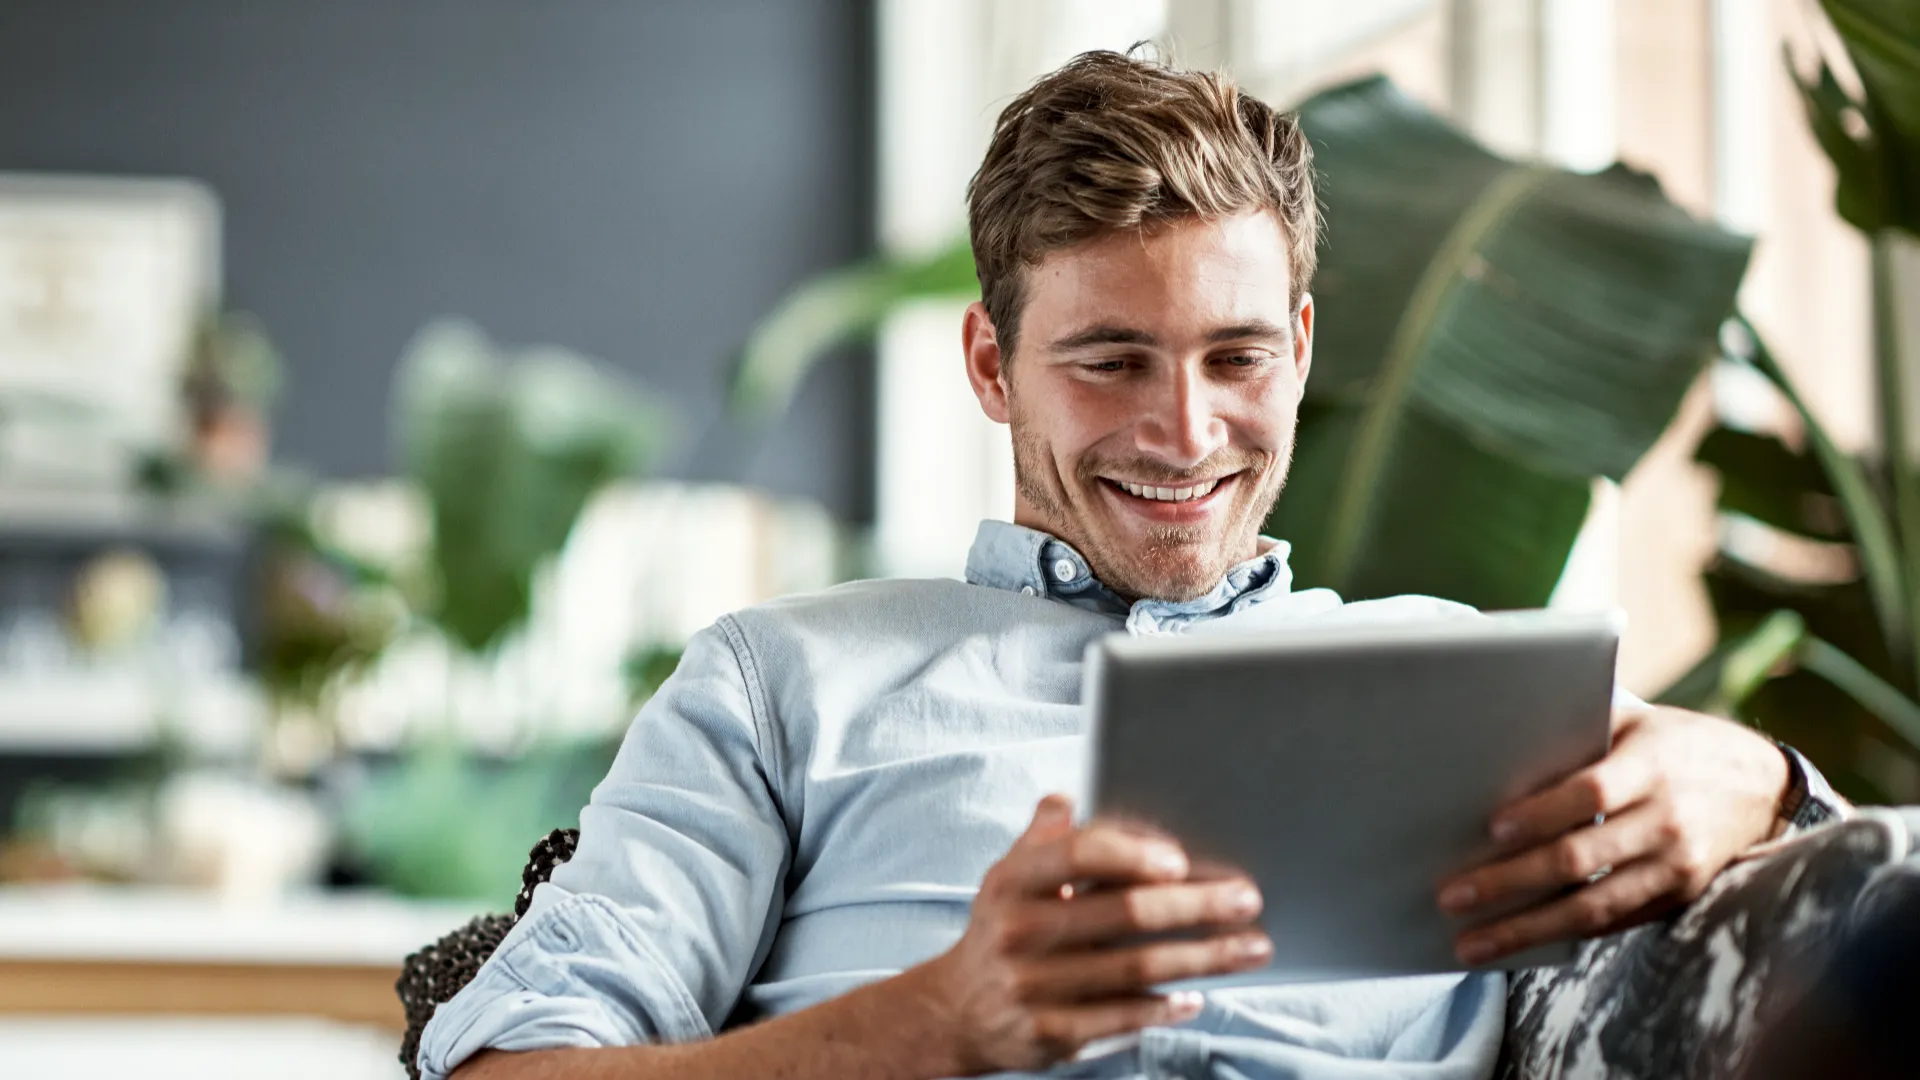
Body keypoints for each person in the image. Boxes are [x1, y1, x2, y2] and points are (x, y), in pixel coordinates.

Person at [418, 50, 1844, 1080]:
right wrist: (938, 1021)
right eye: (1111, 361)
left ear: (1301, 349)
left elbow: (1825, 902)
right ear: (993, 365)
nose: (1187, 432)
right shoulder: (783, 682)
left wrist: (1762, 779)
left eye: (1238, 359)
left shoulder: (1462, 675)